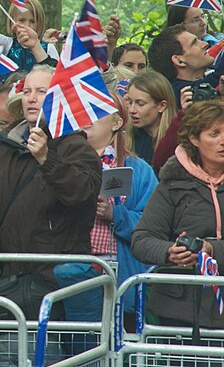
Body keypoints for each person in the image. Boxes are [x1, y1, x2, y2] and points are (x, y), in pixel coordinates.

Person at [0, 65, 102, 281]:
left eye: (41, 91)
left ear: (59, 99)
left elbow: (82, 194)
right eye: (27, 92)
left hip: (55, 278)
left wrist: (47, 159)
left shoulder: (77, 147)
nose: (31, 98)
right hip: (8, 275)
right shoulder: (9, 146)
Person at [53, 94, 158, 329]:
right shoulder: (59, 168)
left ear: (117, 123)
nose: (87, 118)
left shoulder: (138, 170)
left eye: (96, 111)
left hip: (121, 277)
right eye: (81, 110)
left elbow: (154, 226)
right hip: (70, 270)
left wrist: (115, 215)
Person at [131, 99, 224, 328]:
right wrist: (170, 252)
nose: (223, 141)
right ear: (194, 139)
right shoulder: (173, 183)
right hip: (178, 310)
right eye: (214, 134)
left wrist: (211, 249)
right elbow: (142, 239)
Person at [148, 24, 223, 104]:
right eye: (194, 43)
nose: (205, 44)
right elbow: (216, 77)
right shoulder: (176, 94)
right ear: (179, 61)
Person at [0, 0, 59, 73]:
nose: (27, 25)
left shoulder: (48, 48)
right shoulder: (8, 43)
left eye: (32, 21)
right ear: (12, 21)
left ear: (39, 24)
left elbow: (57, 75)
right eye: (22, 20)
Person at [125, 71, 177, 167]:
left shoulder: (177, 142)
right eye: (130, 102)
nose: (132, 110)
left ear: (162, 106)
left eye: (140, 104)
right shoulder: (127, 139)